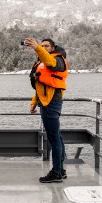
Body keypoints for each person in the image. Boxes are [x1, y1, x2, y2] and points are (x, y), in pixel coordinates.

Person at [24, 37, 68, 183]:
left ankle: (56, 172)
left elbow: (50, 62)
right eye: (42, 46)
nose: (44, 47)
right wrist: (34, 102)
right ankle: (60, 170)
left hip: (51, 103)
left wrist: (37, 47)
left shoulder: (58, 60)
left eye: (46, 46)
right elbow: (41, 86)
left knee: (54, 138)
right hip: (45, 102)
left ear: (53, 47)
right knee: (57, 137)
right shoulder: (41, 62)